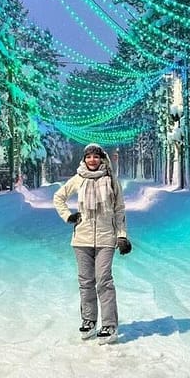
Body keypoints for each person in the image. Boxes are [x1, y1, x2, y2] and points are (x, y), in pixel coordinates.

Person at [53, 143, 132, 345]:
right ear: (84, 159)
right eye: (88, 157)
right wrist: (68, 216)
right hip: (82, 239)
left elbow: (119, 210)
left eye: (96, 157)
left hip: (106, 237)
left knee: (104, 280)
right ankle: (89, 321)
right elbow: (58, 197)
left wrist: (122, 235)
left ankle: (109, 326)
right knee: (86, 282)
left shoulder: (112, 181)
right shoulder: (79, 178)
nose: (92, 160)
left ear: (102, 158)